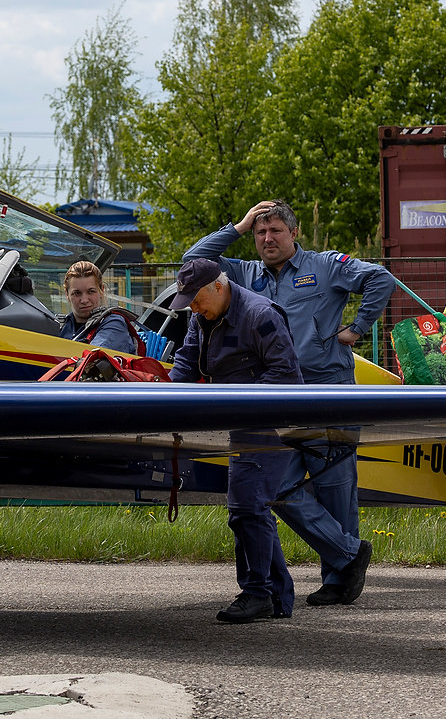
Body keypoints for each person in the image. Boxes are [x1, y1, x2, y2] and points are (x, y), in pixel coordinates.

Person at [184, 199, 391, 606]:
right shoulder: (244, 273)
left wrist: (357, 328)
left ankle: (338, 581)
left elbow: (380, 278)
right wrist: (238, 226)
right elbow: (194, 261)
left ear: (294, 233)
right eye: (260, 232)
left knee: (334, 487)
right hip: (275, 395)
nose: (267, 238)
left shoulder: (325, 266)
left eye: (275, 230)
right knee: (276, 486)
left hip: (327, 391)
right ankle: (349, 554)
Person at [166, 257, 301, 623]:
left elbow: (287, 375)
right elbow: (187, 362)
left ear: (218, 287)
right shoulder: (202, 317)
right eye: (189, 303)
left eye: (197, 300)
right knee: (252, 507)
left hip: (269, 423)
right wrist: (161, 397)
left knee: (246, 507)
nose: (194, 308)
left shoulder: (260, 315)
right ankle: (276, 596)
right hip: (242, 421)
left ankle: (257, 593)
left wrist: (235, 402)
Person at [59, 261, 138, 353]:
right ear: (67, 294)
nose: (84, 300)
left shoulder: (114, 324)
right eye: (77, 293)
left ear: (101, 290)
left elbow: (94, 356)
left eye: (91, 291)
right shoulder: (60, 326)